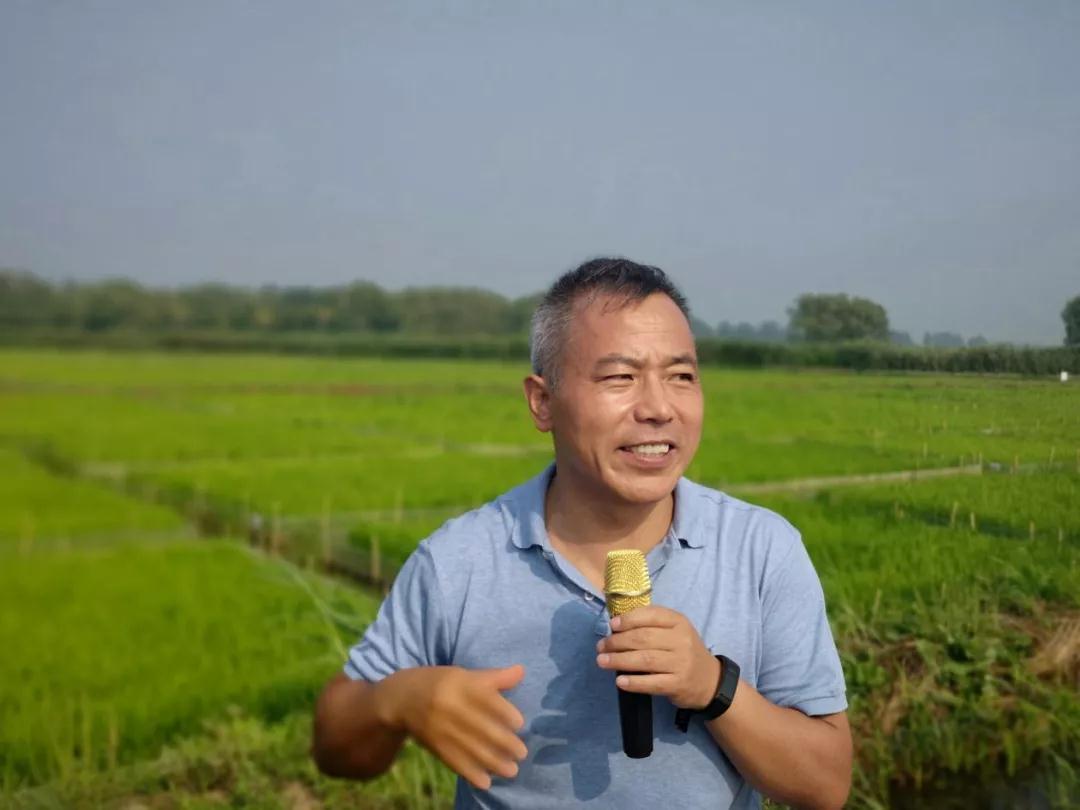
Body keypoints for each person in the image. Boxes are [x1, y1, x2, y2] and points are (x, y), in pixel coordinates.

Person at [312, 258, 852, 809]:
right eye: (620, 377)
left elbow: (826, 785)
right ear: (542, 402)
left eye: (681, 377)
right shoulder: (458, 561)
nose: (659, 408)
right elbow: (333, 749)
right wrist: (394, 701)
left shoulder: (762, 550)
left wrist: (714, 685)